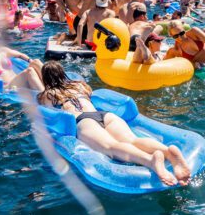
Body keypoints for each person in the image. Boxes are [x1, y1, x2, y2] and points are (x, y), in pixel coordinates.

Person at [25, 60, 189, 186]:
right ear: (63, 73)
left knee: (110, 147)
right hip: (104, 115)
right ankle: (168, 152)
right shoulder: (80, 86)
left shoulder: (46, 95)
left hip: (83, 120)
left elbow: (47, 112)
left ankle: (150, 161)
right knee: (132, 140)